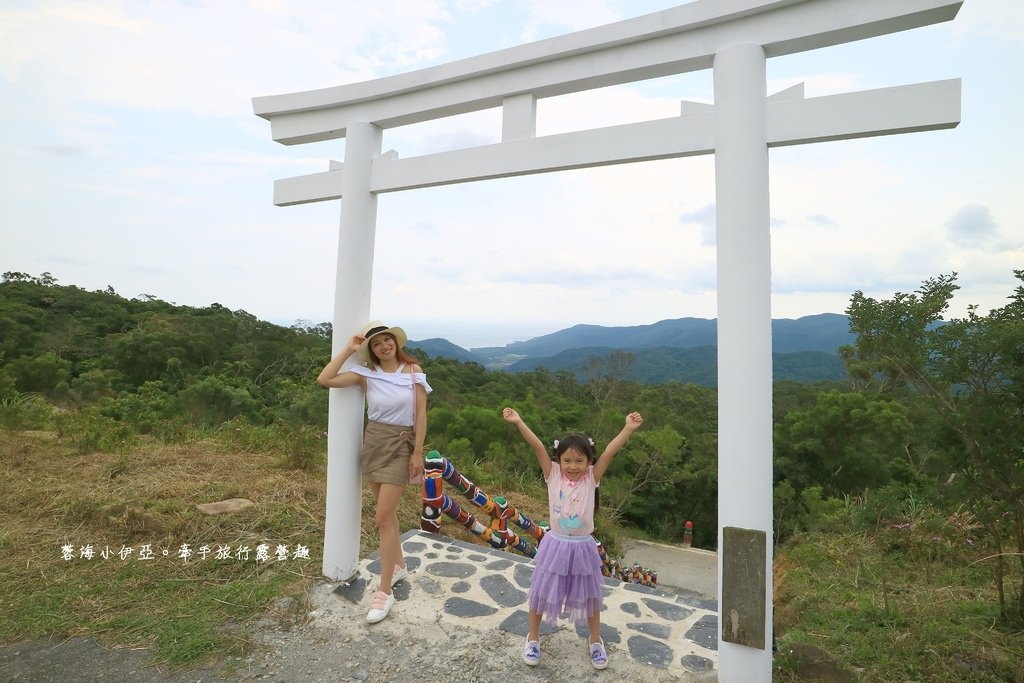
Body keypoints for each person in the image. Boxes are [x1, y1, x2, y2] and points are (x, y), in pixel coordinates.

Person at [502, 407, 644, 670]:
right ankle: (533, 638)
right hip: (555, 545)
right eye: (567, 460)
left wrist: (627, 429)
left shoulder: (592, 477)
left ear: (589, 462)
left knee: (590, 597)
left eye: (579, 461)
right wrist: (519, 421)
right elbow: (537, 448)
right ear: (558, 460)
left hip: (582, 547)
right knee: (542, 593)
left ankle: (595, 640)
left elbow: (611, 451)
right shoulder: (552, 474)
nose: (573, 466)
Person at [317, 321, 430, 623]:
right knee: (387, 517)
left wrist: (417, 452)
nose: (384, 346)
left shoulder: (413, 372)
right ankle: (399, 567)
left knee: (382, 517)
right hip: (374, 443)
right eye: (376, 343)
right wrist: (349, 349)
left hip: (401, 445)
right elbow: (325, 379)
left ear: (396, 342)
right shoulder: (366, 374)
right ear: (371, 350)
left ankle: (384, 591)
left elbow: (420, 414)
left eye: (387, 340)